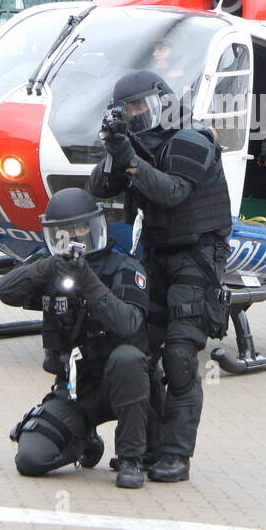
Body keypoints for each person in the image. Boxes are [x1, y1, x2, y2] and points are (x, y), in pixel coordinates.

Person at [89, 69, 232, 484]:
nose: (135, 114)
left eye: (140, 106)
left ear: (163, 103)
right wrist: (117, 151)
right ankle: (144, 448)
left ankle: (175, 455)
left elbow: (171, 192)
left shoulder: (193, 139)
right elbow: (100, 187)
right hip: (154, 256)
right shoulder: (134, 147)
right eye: (127, 109)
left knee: (180, 357)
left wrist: (129, 158)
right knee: (140, 350)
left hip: (196, 257)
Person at [0, 188, 153, 490]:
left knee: (129, 358)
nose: (73, 236)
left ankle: (131, 458)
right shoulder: (52, 265)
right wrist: (50, 265)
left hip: (123, 387)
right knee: (30, 459)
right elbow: (5, 289)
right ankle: (83, 443)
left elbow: (129, 323)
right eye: (64, 231)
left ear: (93, 226)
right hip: (74, 390)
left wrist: (87, 280)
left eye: (80, 228)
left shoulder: (122, 266)